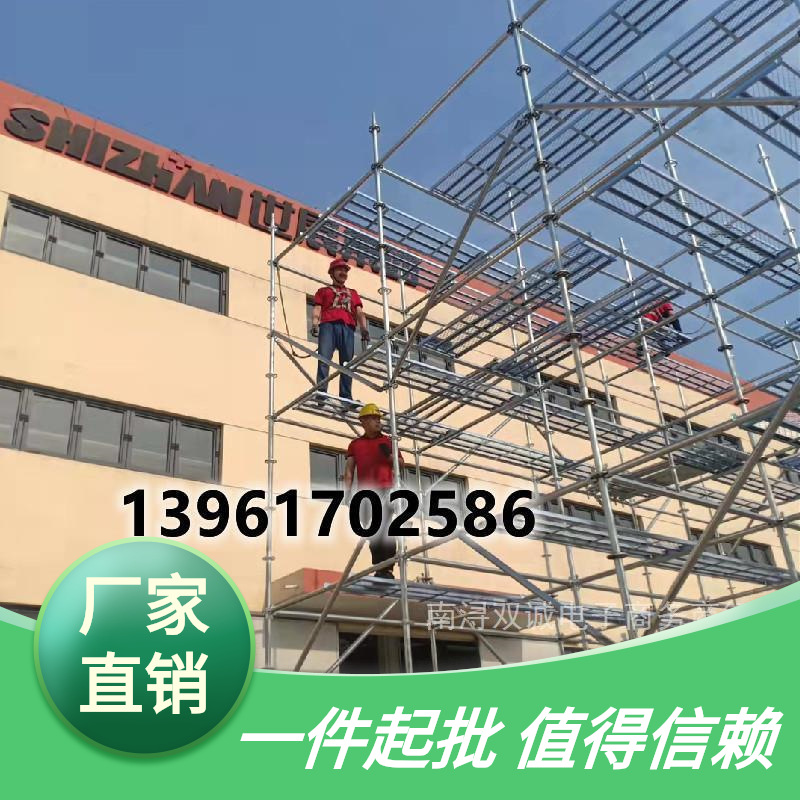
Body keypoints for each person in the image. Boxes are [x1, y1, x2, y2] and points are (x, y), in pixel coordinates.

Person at [344, 403, 404, 579]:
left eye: (378, 419)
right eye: (373, 418)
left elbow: (401, 464)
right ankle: (380, 567)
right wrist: (347, 493)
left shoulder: (388, 441)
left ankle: (387, 568)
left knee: (384, 527)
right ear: (363, 421)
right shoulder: (355, 445)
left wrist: (390, 456)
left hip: (386, 489)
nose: (378, 422)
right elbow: (349, 470)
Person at [311, 257, 370, 402]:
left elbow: (359, 312)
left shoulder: (353, 293)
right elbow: (317, 308)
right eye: (340, 270)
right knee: (324, 359)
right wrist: (314, 323)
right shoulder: (323, 291)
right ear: (332, 273)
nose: (343, 273)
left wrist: (364, 328)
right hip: (328, 326)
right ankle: (321, 392)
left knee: (347, 363)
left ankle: (345, 397)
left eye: (345, 270)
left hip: (347, 327)